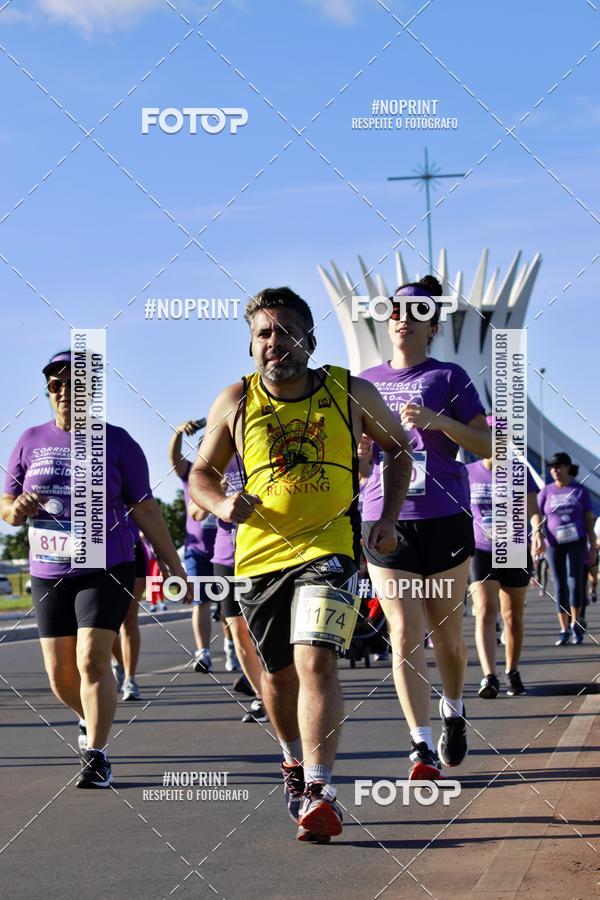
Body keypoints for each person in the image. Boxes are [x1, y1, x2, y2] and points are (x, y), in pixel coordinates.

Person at [188, 287, 412, 842]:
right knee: (276, 675)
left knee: (316, 662)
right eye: (264, 333)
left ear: (308, 340)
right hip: (258, 558)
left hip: (329, 550)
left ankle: (320, 787)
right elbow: (200, 476)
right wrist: (221, 504)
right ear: (250, 345)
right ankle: (291, 761)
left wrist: (386, 517)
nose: (275, 343)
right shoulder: (234, 401)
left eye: (286, 331)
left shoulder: (348, 391)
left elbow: (400, 448)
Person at [0, 350, 191, 788]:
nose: (65, 392)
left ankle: (96, 753)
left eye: (76, 385)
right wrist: (16, 511)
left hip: (107, 564)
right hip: (48, 571)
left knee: (92, 660)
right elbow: (7, 505)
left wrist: (172, 564)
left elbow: (145, 508)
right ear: (49, 393)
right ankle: (90, 716)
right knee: (59, 675)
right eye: (56, 385)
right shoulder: (30, 439)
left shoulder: (119, 442)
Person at [359, 276, 491, 781]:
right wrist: (361, 456)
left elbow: (486, 445)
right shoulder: (366, 382)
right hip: (385, 519)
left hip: (443, 518)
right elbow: (358, 460)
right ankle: (419, 745)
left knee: (447, 638)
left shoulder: (449, 376)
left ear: (432, 325)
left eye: (414, 311)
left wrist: (439, 421)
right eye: (394, 310)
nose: (401, 318)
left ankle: (454, 711)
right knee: (403, 633)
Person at [467, 425, 546, 697]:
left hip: (514, 548)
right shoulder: (468, 473)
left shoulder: (519, 472)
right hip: (481, 549)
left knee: (512, 617)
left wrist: (537, 533)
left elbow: (533, 511)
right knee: (486, 611)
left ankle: (512, 670)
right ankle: (490, 676)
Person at [190, 458, 268, 723]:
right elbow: (195, 513)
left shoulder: (262, 451)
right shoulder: (216, 463)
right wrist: (217, 496)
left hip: (265, 553)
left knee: (266, 629)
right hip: (226, 556)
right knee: (237, 628)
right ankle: (261, 696)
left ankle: (278, 688)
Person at [169, 420, 223, 674]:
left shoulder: (232, 473)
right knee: (200, 601)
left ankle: (233, 648)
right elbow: (174, 457)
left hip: (226, 552)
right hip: (197, 550)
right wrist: (178, 433)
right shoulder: (191, 473)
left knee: (227, 606)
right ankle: (203, 652)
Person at [538, 452, 595, 645]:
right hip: (554, 544)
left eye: (559, 467)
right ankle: (563, 628)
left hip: (576, 542)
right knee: (559, 585)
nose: (555, 470)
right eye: (553, 468)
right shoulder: (545, 492)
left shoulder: (579, 491)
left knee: (574, 583)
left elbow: (588, 521)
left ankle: (575, 623)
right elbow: (537, 518)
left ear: (568, 468)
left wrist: (593, 546)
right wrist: (536, 540)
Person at [111, 517, 148, 701]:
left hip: (132, 550)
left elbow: (149, 516)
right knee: (101, 622)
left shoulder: (131, 487)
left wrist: (165, 564)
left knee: (129, 619)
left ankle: (130, 679)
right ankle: (119, 662)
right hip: (96, 549)